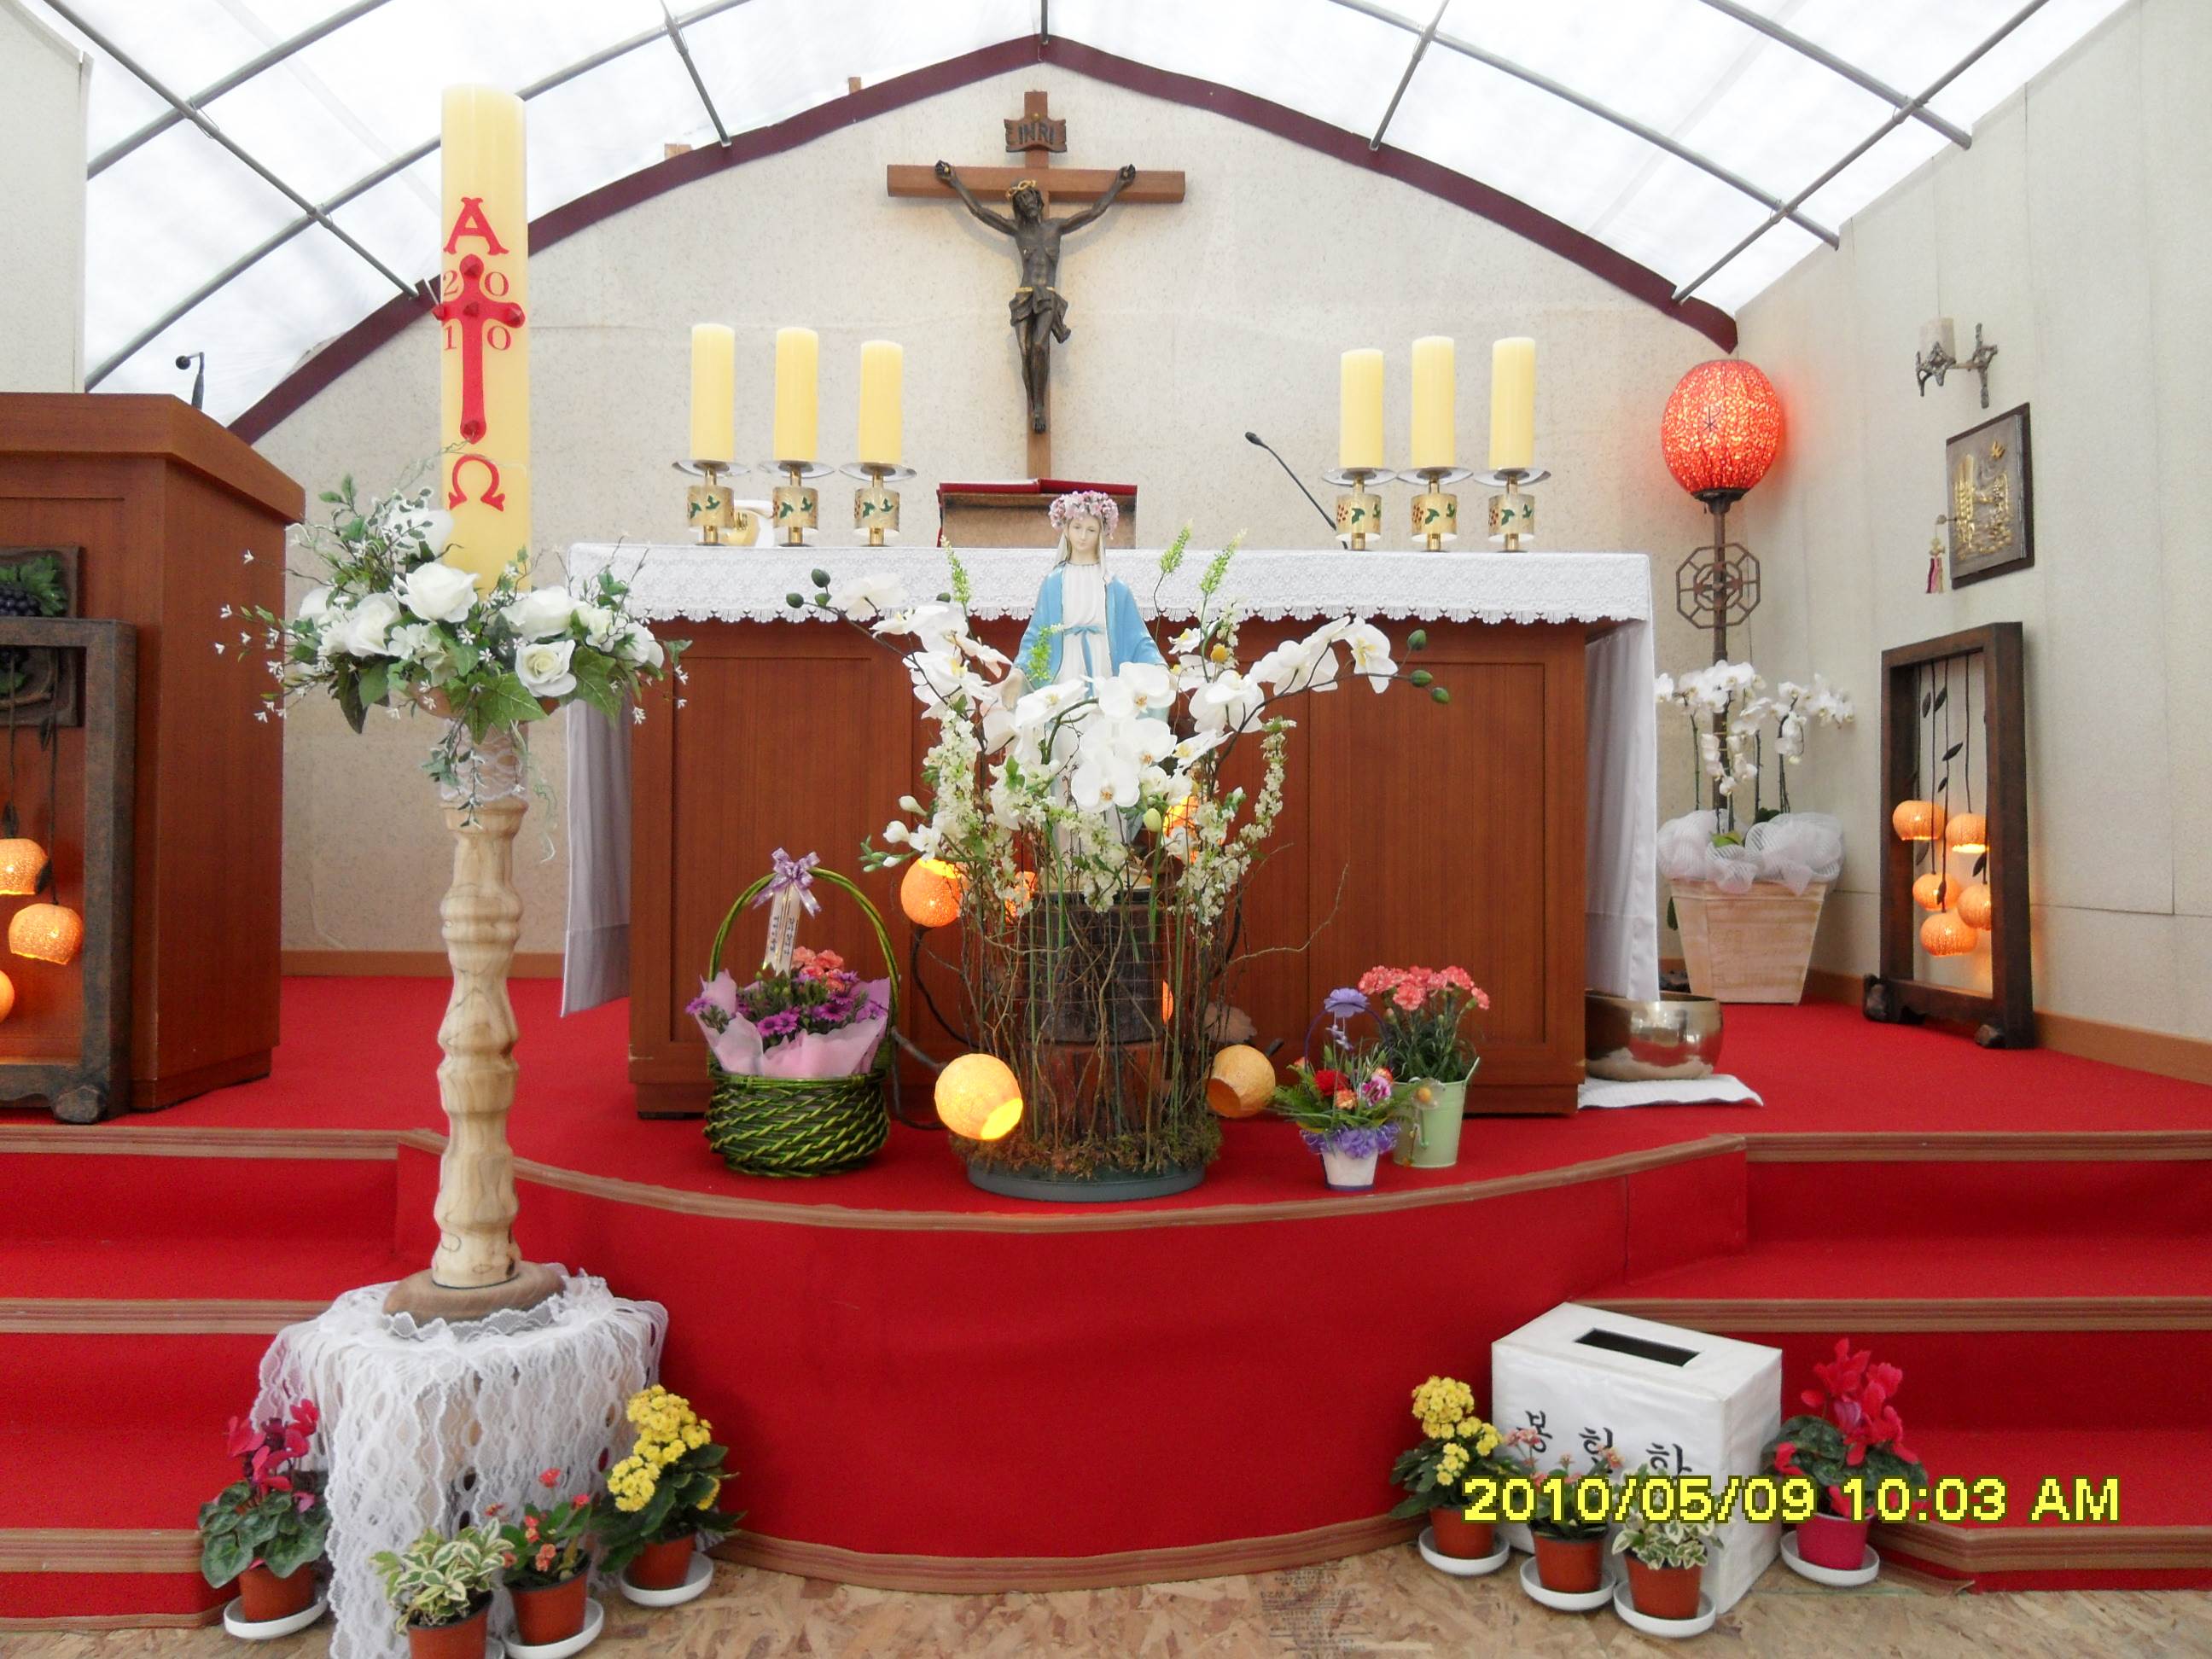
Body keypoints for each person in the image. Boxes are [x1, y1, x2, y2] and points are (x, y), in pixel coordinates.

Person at [1009, 491, 1163, 699]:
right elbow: (1037, 636)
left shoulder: (1114, 586)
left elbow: (1137, 638)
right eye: (1077, 527)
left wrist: (1158, 666)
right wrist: (1019, 672)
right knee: (1068, 713)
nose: (1083, 536)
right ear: (1066, 530)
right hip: (1066, 667)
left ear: (1101, 533)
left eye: (1091, 530)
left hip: (1103, 666)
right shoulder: (1053, 583)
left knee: (1102, 712)